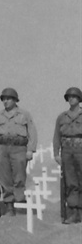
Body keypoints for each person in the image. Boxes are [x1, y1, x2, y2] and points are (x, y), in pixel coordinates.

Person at [0, 88, 37, 215]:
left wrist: (31, 150)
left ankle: (20, 202)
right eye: (4, 99)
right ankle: (9, 204)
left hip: (19, 149)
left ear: (15, 100)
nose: (6, 101)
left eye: (8, 99)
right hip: (3, 148)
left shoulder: (24, 114)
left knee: (19, 176)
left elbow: (32, 132)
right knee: (4, 177)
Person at [54, 87, 82, 224]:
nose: (71, 99)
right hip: (66, 151)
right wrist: (56, 153)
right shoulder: (62, 117)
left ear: (79, 99)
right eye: (69, 97)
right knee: (70, 182)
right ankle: (74, 211)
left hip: (80, 150)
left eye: (74, 97)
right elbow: (57, 136)